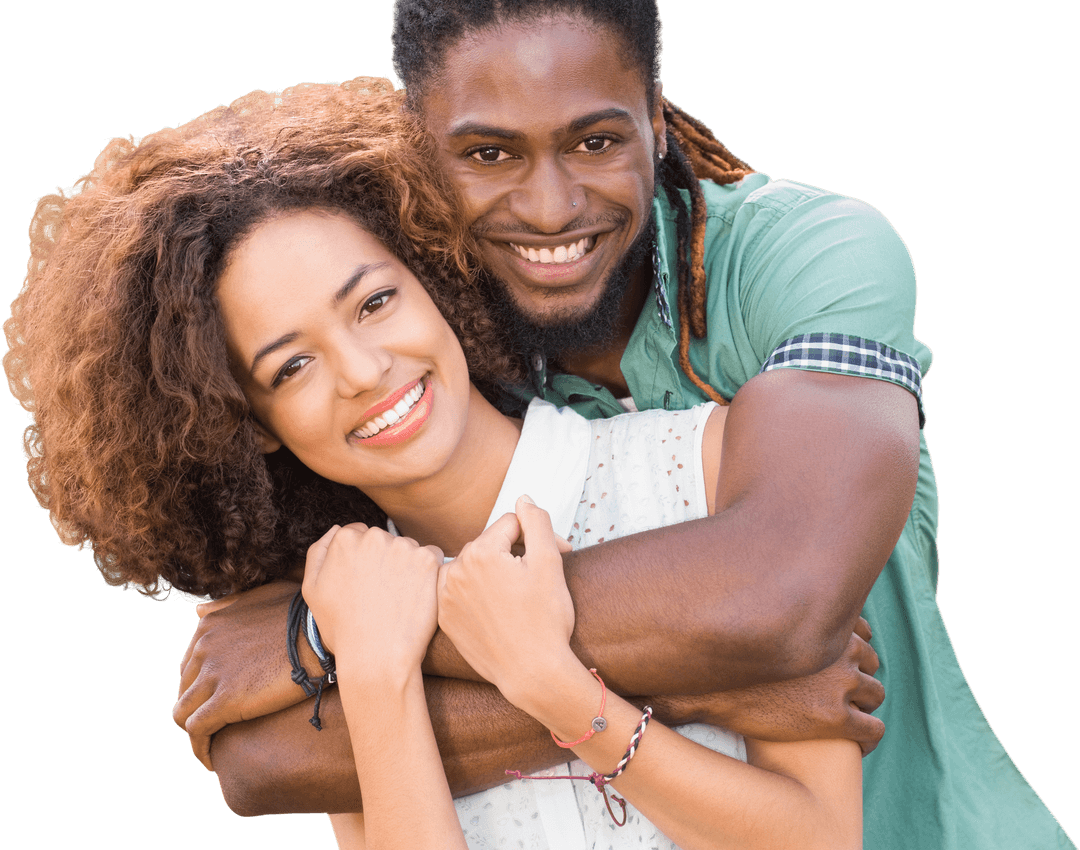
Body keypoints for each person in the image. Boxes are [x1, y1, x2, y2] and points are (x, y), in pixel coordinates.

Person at [176, 0, 1074, 850]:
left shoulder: (807, 258)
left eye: (597, 140)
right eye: (488, 153)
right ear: (419, 157)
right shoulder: (442, 349)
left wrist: (350, 640)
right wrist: (685, 678)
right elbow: (271, 760)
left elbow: (781, 598)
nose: (552, 205)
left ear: (656, 113)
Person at [13, 75, 863, 849]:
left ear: (435, 278)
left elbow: (822, 841)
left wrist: (560, 690)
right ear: (254, 423)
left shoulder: (700, 466)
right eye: (290, 367)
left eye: (375, 302)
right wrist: (377, 668)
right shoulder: (332, 615)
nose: (363, 370)